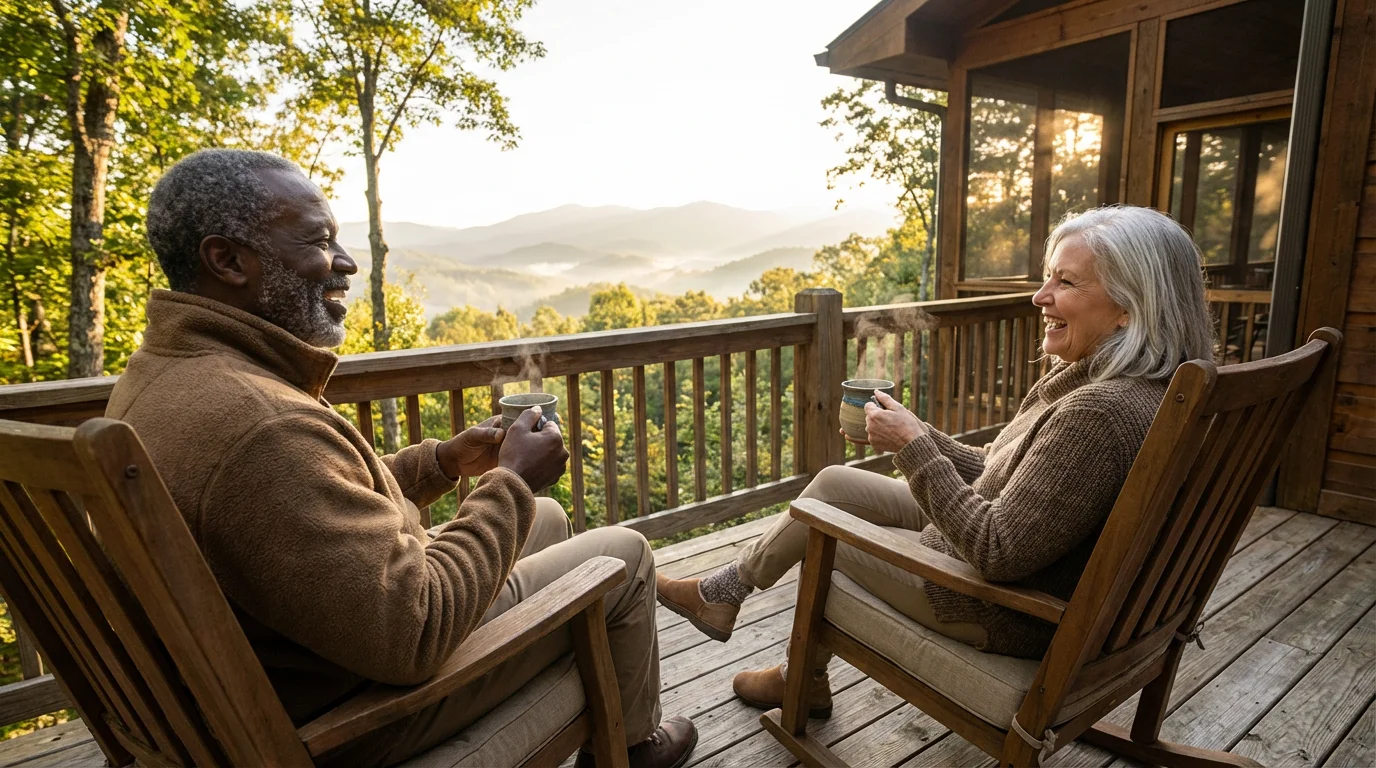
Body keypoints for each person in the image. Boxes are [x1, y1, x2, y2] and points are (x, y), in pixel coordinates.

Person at [108, 149, 696, 768]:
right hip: (351, 718)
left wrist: (440, 462)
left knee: (545, 519)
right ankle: (631, 749)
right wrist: (512, 479)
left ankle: (593, 671)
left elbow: (303, 507)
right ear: (227, 260)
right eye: (318, 242)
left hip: (292, 661)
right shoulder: (263, 424)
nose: (346, 263)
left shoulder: (164, 379)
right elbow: (414, 633)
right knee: (623, 556)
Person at [656, 205, 1216, 718]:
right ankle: (722, 594)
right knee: (833, 485)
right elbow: (1005, 473)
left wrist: (912, 448)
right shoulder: (1137, 388)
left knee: (821, 530)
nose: (1040, 296)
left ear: (1128, 308)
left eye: (1065, 282)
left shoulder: (1100, 411)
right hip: (1016, 566)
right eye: (1048, 276)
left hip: (995, 603)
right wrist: (918, 433)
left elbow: (997, 548)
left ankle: (794, 675)